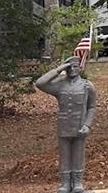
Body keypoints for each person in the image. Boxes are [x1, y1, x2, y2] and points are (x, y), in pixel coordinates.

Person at [35, 56, 96, 193]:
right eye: (69, 67)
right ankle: (65, 183)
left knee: (78, 155)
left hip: (79, 125)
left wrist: (87, 125)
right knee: (64, 156)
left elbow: (92, 107)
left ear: (80, 68)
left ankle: (78, 183)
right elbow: (40, 83)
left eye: (75, 66)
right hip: (64, 126)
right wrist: (59, 69)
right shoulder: (59, 85)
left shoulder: (87, 86)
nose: (72, 69)